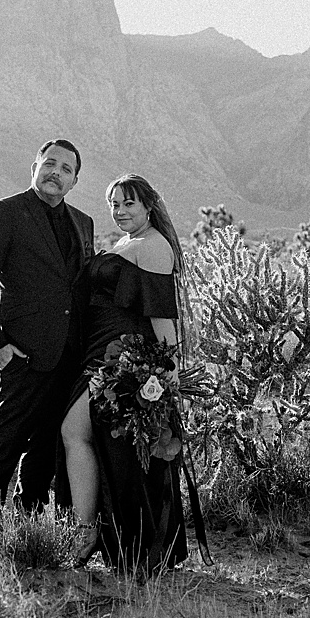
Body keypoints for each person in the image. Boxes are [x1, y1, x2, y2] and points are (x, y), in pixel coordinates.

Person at [0, 138, 96, 571]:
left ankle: (28, 538)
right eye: (50, 163)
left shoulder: (83, 222)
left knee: (45, 454)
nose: (56, 172)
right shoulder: (5, 213)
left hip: (69, 357)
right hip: (21, 355)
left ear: (74, 180)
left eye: (66, 168)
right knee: (5, 446)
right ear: (34, 166)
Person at [62, 172, 201, 578]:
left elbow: (161, 314)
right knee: (106, 448)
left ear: (148, 206)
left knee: (79, 434)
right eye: (114, 205)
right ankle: (105, 540)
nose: (120, 212)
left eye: (128, 204)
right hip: (98, 352)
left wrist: (169, 373)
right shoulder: (129, 242)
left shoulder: (155, 246)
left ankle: (90, 534)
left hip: (123, 360)